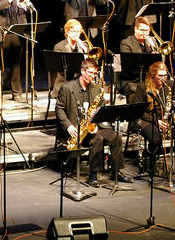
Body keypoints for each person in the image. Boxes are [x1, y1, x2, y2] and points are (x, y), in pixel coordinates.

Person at [55, 59, 132, 187]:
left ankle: (116, 171)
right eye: (90, 73)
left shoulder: (97, 89)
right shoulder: (67, 88)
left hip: (93, 127)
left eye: (95, 74)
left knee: (116, 136)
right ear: (82, 71)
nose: (92, 76)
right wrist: (68, 126)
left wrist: (97, 115)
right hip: (75, 130)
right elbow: (59, 109)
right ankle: (93, 174)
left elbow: (101, 109)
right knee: (99, 139)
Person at [129, 61, 175, 177]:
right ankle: (151, 163)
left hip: (164, 119)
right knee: (156, 138)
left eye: (165, 75)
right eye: (160, 76)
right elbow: (138, 111)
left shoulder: (170, 86)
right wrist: (157, 121)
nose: (163, 78)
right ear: (152, 75)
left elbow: (173, 105)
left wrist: (173, 114)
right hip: (147, 119)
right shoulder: (143, 87)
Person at [119, 16, 159, 101]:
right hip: (132, 80)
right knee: (138, 89)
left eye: (147, 30)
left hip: (148, 78)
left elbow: (160, 63)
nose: (145, 33)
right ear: (135, 29)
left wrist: (154, 51)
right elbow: (128, 66)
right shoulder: (126, 43)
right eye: (142, 30)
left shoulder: (152, 41)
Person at [49, 19, 89, 99]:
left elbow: (89, 64)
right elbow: (59, 69)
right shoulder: (59, 47)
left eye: (78, 32)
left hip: (80, 80)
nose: (76, 34)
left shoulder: (84, 45)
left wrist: (84, 49)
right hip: (65, 80)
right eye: (73, 31)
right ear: (67, 32)